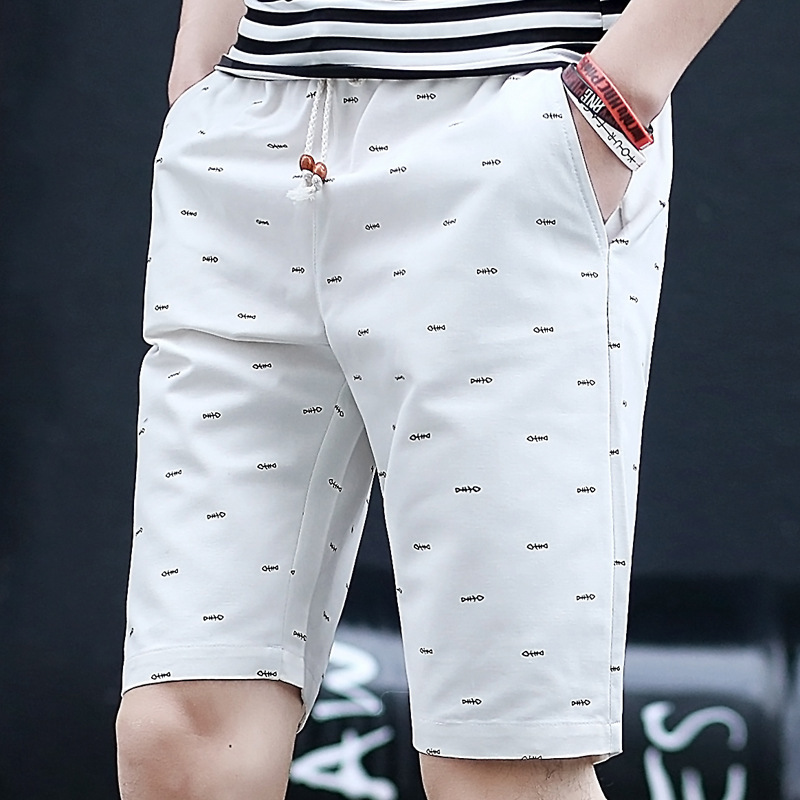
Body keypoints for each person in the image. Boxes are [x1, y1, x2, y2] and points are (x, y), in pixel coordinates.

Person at [115, 1, 741, 798]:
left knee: (501, 761)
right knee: (180, 732)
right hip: (248, 129)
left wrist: (617, 96)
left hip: (505, 125)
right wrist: (202, 64)